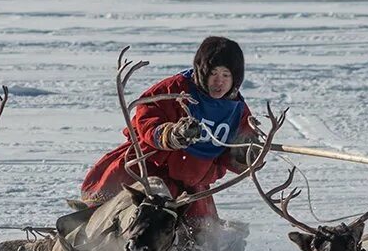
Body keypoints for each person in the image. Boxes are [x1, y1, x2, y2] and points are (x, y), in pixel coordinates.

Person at [80, 36, 256, 234]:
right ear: (202, 72)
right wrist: (169, 134)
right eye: (213, 73)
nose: (219, 81)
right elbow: (146, 116)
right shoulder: (176, 89)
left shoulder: (237, 111)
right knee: (107, 221)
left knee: (204, 239)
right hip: (149, 170)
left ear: (236, 78)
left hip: (190, 186)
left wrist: (244, 155)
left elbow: (234, 150)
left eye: (226, 75)